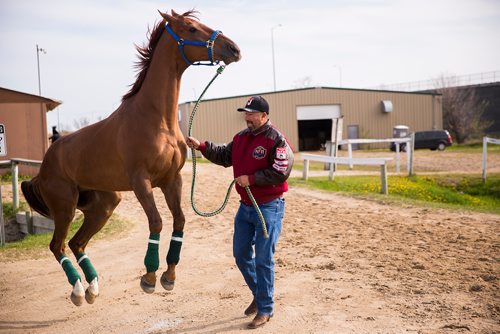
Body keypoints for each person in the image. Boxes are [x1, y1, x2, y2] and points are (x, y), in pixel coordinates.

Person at [186, 95, 294, 329]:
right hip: (245, 207)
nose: (247, 117)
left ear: (264, 116)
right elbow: (224, 155)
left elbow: (281, 171)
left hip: (268, 207)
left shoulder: (277, 140)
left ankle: (265, 309)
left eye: (252, 114)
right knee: (241, 254)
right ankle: (260, 293)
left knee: (264, 259)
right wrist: (202, 146)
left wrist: (252, 179)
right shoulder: (241, 138)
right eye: (246, 113)